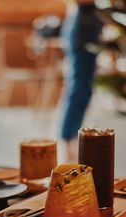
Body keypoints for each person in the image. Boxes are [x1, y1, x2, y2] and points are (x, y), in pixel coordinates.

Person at [59, 0, 103, 162]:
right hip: (83, 20)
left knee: (82, 89)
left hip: (85, 19)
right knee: (79, 90)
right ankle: (68, 139)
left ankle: (70, 137)